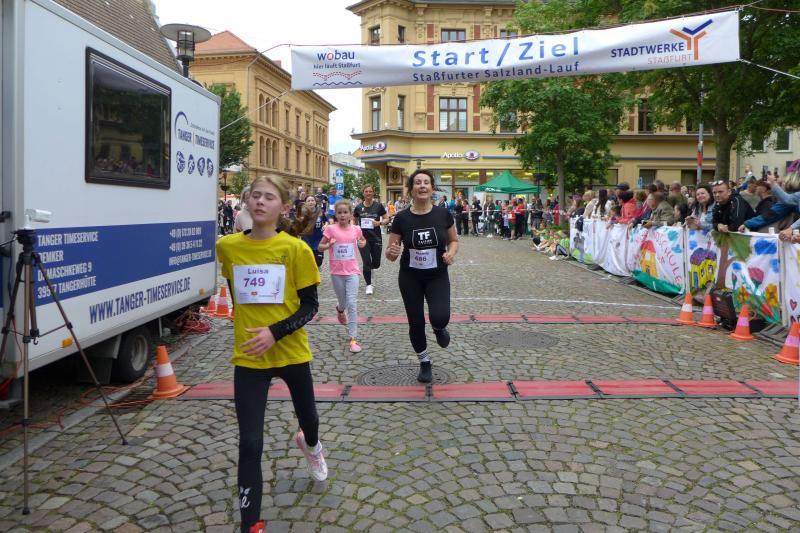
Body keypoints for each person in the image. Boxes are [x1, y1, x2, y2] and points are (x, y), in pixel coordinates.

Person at [215, 175, 327, 533]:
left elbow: (310, 307)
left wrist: (274, 332)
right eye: (255, 196)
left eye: (269, 197)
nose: (260, 201)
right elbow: (236, 295)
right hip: (249, 357)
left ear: (283, 207)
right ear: (247, 202)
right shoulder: (228, 247)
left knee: (309, 421)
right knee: (250, 443)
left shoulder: (296, 250)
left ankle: (311, 445)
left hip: (291, 353)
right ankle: (251, 525)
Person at [385, 169, 458, 383]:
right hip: (410, 277)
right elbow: (391, 254)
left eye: (426, 182)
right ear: (411, 189)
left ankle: (438, 327)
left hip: (437, 275)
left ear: (432, 188)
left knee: (440, 316)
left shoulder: (443, 214)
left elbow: (453, 241)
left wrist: (451, 253)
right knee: (416, 322)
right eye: (418, 182)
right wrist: (391, 252)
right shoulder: (401, 218)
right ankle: (424, 361)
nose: (422, 186)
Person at [318, 199, 367, 353]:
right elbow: (320, 246)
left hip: (352, 271)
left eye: (345, 212)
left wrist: (362, 243)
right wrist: (329, 245)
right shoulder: (330, 229)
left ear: (351, 214)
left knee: (352, 303)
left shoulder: (356, 229)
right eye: (339, 213)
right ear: (336, 214)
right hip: (336, 272)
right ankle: (340, 310)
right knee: (343, 302)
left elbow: (363, 241)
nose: (342, 215)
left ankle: (353, 339)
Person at [353, 184, 388, 295]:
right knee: (366, 261)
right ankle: (368, 284)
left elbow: (387, 219)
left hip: (376, 238)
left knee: (376, 263)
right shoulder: (358, 207)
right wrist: (356, 230)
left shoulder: (378, 206)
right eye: (366, 191)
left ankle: (371, 269)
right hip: (363, 239)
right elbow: (354, 221)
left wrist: (379, 223)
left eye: (370, 191)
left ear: (373, 193)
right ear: (363, 193)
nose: (368, 193)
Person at [296, 195, 327, 268]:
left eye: (312, 200)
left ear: (315, 202)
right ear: (305, 203)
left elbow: (326, 221)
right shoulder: (302, 213)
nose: (311, 202)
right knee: (308, 262)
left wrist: (326, 225)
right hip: (307, 241)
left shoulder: (320, 212)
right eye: (308, 201)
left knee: (318, 262)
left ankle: (317, 270)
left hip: (318, 240)